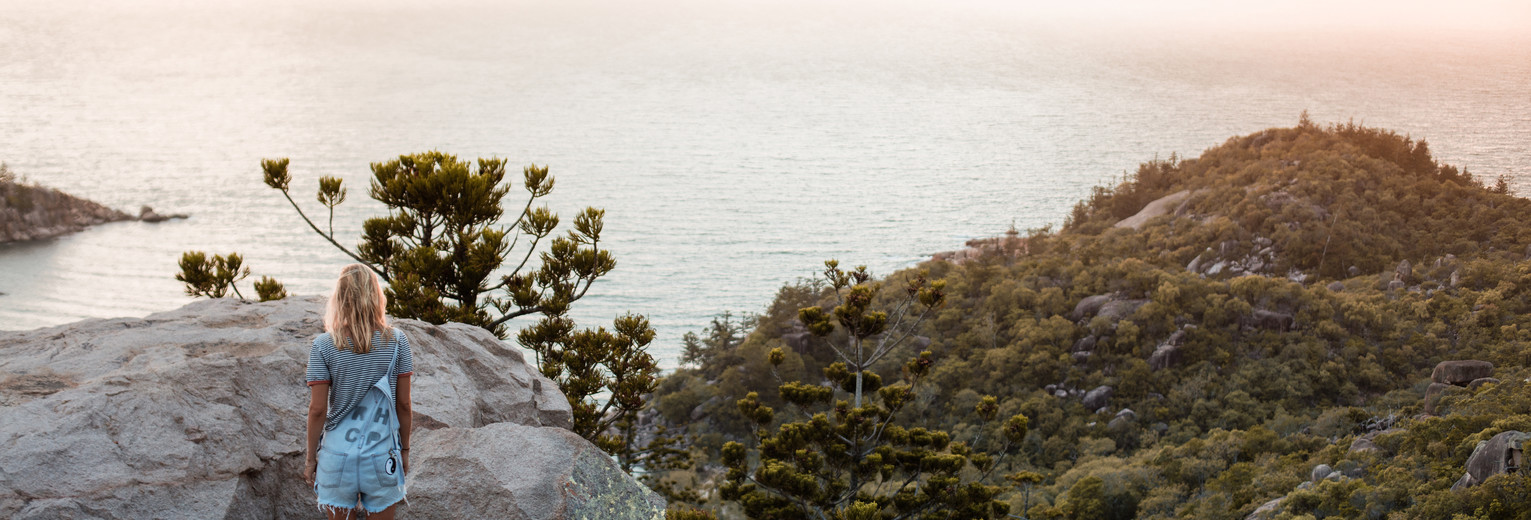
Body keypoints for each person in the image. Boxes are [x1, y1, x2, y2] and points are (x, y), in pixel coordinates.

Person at [302, 264, 414, 519]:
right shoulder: (397, 341)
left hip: (336, 456)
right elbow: (404, 405)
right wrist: (405, 451)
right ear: (376, 296)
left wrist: (311, 460)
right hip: (381, 455)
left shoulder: (323, 345)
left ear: (339, 298)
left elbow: (317, 409)